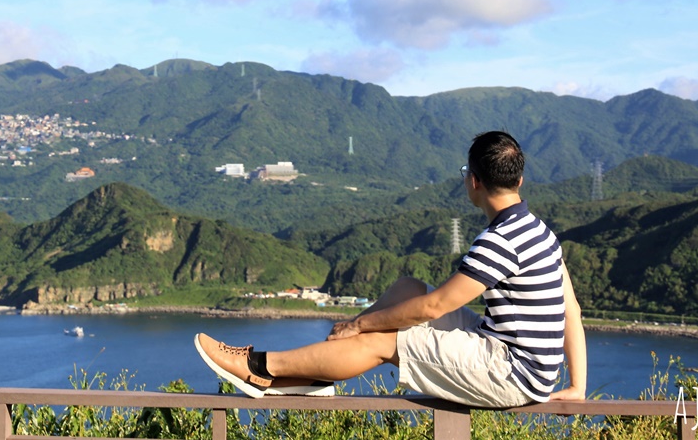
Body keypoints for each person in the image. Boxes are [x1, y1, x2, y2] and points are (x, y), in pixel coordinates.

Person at [195, 131, 586, 406]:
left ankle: (260, 368)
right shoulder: (540, 231)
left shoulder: (499, 241)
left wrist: (362, 324)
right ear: (519, 179)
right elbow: (573, 311)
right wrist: (577, 385)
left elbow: (435, 308)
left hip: (510, 374)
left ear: (474, 182)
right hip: (517, 360)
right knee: (409, 287)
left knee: (383, 340)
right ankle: (319, 371)